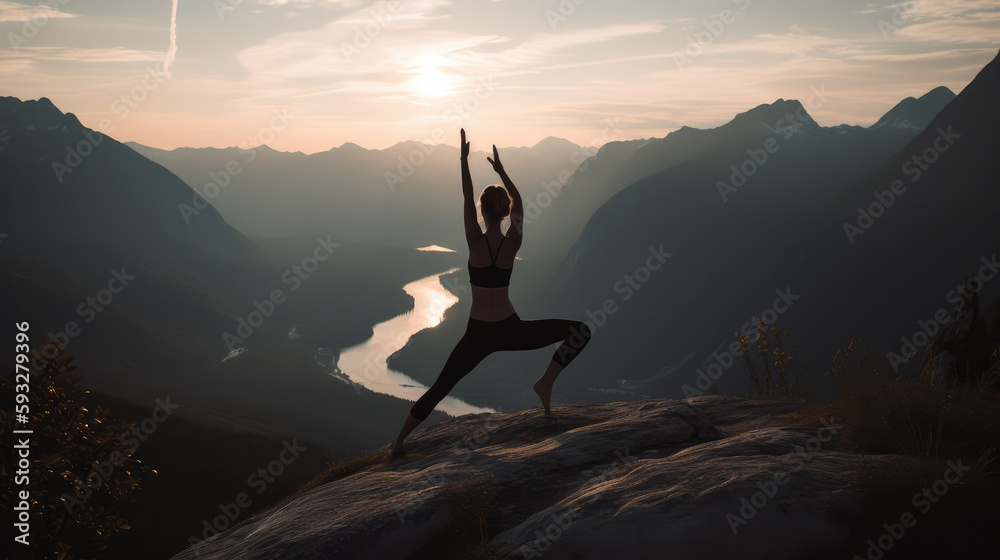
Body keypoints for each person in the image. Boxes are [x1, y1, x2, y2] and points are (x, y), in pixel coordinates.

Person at [390, 129, 592, 456]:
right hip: (511, 328)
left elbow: (466, 197)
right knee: (580, 332)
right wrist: (502, 172)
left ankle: (398, 443)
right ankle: (545, 382)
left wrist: (463, 159)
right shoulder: (513, 243)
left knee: (441, 387)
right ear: (504, 212)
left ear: (484, 213)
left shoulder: (474, 241)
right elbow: (521, 205)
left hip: (478, 334)